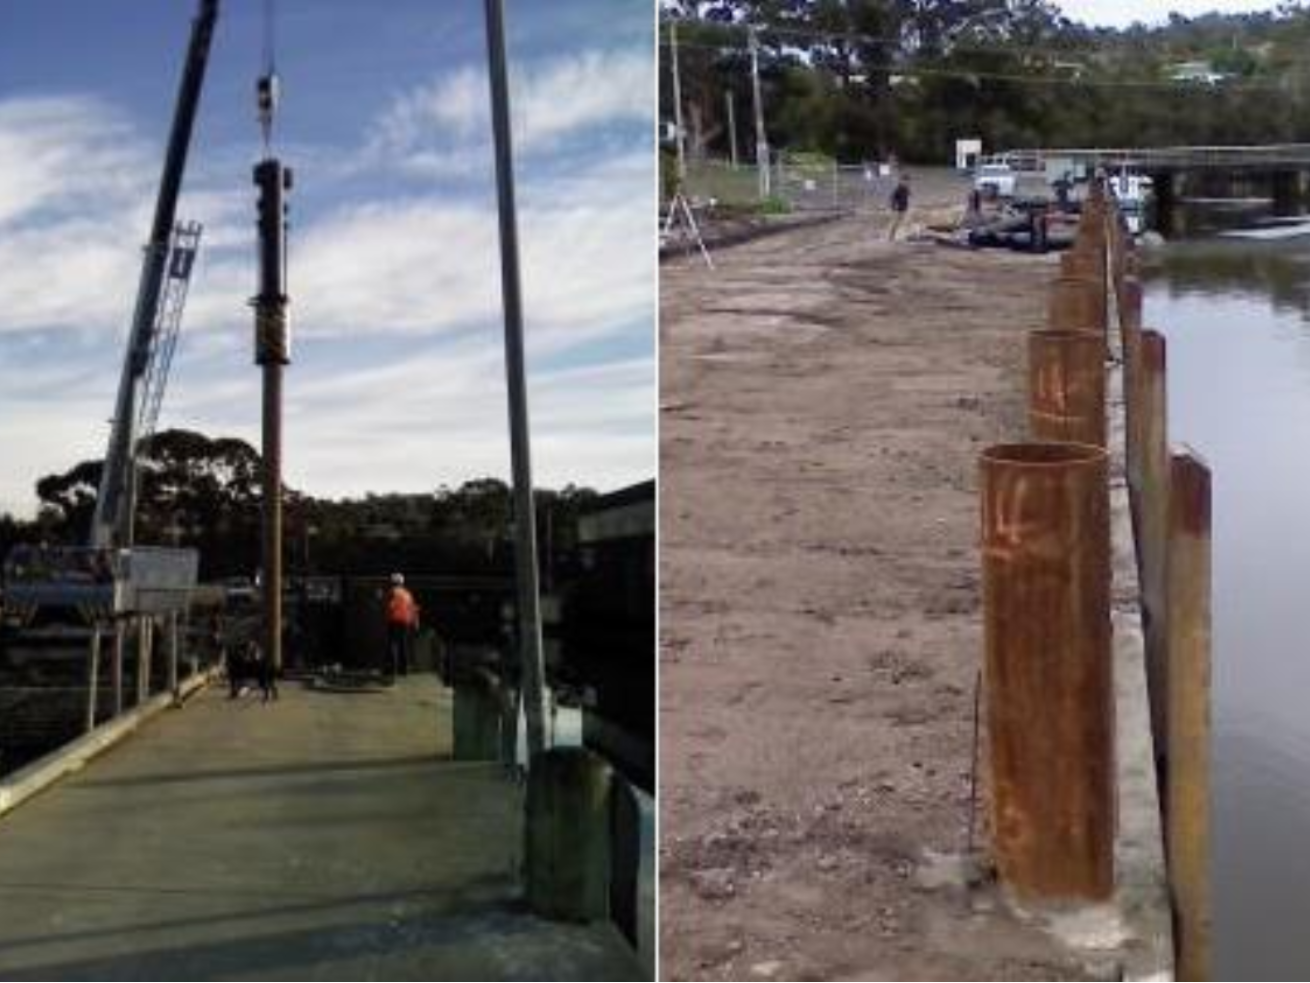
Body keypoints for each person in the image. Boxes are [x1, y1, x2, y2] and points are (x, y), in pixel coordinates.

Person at [385, 573, 420, 678]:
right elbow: (413, 608)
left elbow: (390, 606)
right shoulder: (408, 593)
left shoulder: (392, 592)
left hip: (394, 620)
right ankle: (403, 670)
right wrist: (416, 622)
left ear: (393, 582)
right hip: (405, 621)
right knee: (403, 645)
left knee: (392, 644)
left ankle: (391, 670)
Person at [888, 173, 911, 241]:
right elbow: (892, 198)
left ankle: (902, 235)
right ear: (901, 181)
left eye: (908, 181)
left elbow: (909, 195)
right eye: (905, 181)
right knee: (896, 223)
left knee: (905, 222)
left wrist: (909, 195)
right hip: (897, 210)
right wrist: (893, 206)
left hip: (904, 208)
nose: (906, 182)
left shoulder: (906, 188)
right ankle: (891, 237)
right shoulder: (898, 189)